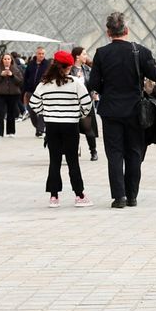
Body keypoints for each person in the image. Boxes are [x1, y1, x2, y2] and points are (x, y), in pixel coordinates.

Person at [87, 11, 156, 208]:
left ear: (108, 32)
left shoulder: (101, 53)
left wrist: (110, 91)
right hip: (135, 110)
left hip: (111, 110)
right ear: (127, 30)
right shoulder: (141, 51)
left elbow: (94, 84)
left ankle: (119, 197)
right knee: (133, 152)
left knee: (114, 154)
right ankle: (132, 196)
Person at [30, 50, 95, 208]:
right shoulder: (75, 82)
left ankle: (54, 196)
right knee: (73, 161)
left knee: (54, 160)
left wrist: (45, 113)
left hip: (52, 125)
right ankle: (79, 195)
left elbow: (33, 103)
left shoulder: (44, 83)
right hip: (70, 125)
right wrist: (78, 114)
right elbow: (87, 104)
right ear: (68, 67)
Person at [69, 46, 99, 161]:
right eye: (84, 54)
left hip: (86, 103)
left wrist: (93, 92)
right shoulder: (70, 70)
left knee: (88, 129)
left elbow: (92, 84)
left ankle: (93, 151)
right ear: (77, 56)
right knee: (73, 129)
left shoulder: (87, 69)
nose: (86, 56)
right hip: (73, 104)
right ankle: (75, 150)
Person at [0, 53, 24, 137]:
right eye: (5, 59)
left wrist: (12, 75)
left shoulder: (16, 70)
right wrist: (1, 76)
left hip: (13, 94)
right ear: (2, 60)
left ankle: (11, 131)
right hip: (0, 94)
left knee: (11, 113)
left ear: (11, 60)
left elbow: (20, 82)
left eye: (8, 59)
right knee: (0, 113)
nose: (7, 61)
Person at [22, 47, 50, 137]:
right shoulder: (30, 64)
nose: (41, 55)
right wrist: (25, 88)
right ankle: (38, 127)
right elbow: (26, 77)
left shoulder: (47, 65)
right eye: (39, 53)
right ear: (36, 54)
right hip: (30, 91)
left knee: (42, 110)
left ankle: (40, 130)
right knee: (32, 111)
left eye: (42, 54)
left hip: (43, 91)